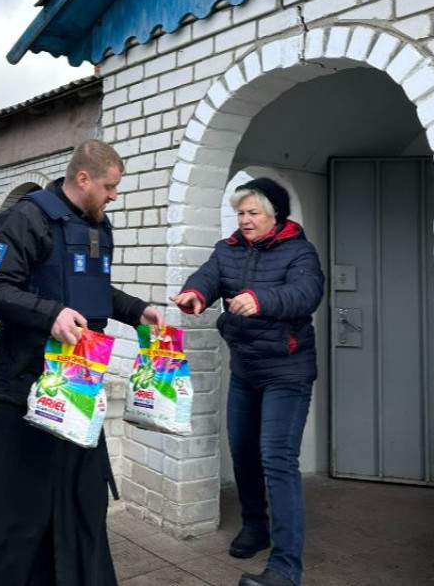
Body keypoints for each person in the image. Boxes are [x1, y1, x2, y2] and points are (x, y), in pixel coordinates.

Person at [0, 139, 163, 586]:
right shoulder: (26, 217)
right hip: (27, 389)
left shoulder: (98, 225)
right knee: (17, 506)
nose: (114, 196)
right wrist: (49, 314)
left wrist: (135, 311)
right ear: (83, 178)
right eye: (110, 186)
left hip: (79, 389)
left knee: (80, 502)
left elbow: (92, 294)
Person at [170, 178, 324, 586]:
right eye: (240, 212)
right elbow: (209, 275)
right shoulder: (229, 249)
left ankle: (285, 567)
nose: (245, 219)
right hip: (246, 368)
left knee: (277, 458)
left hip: (287, 372)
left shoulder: (300, 251)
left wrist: (261, 300)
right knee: (242, 450)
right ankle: (256, 526)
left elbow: (306, 293)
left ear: (275, 215)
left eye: (253, 212)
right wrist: (195, 294)